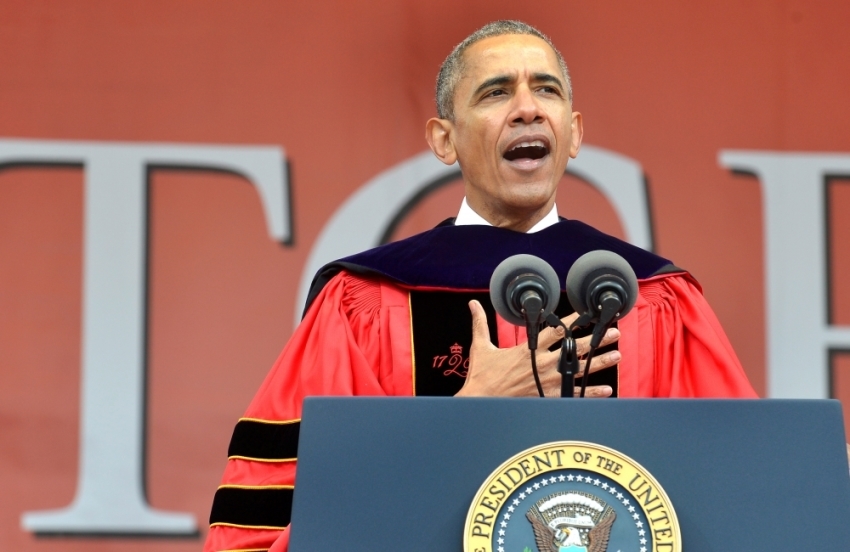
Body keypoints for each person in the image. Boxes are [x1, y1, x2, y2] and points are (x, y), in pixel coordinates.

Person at [203, 20, 756, 552]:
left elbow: (741, 499)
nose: (527, 109)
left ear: (574, 133)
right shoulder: (362, 301)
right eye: (495, 93)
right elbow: (290, 520)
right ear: (445, 140)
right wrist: (466, 411)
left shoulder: (656, 298)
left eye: (547, 89)